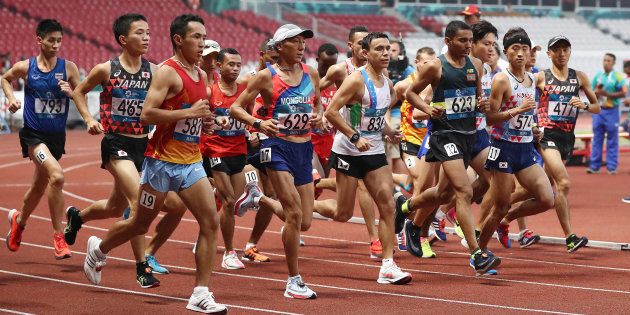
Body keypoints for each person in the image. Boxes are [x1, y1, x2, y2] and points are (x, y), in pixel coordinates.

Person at [81, 14, 226, 313]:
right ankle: (99, 248)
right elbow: (147, 114)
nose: (202, 43)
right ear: (179, 40)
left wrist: (204, 122)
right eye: (196, 37)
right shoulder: (167, 72)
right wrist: (188, 115)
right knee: (139, 222)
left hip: (191, 163)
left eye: (204, 36)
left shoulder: (201, 76)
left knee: (210, 222)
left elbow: (192, 115)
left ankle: (200, 293)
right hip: (160, 163)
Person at [65, 14, 188, 285]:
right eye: (140, 33)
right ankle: (141, 267)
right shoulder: (106, 69)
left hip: (144, 145)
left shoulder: (155, 71)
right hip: (116, 143)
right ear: (123, 39)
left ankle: (77, 217)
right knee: (138, 204)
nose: (147, 38)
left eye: (148, 33)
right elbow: (78, 92)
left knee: (115, 206)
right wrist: (88, 119)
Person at [397, 20, 499, 275]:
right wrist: (427, 108)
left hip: (470, 135)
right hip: (446, 136)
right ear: (448, 41)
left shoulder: (476, 65)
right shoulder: (435, 67)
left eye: (469, 41)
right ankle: (477, 254)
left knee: (449, 192)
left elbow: (476, 101)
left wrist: (483, 106)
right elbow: (411, 93)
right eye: (462, 41)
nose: (467, 45)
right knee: (463, 191)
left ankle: (404, 208)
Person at [230, 23, 321, 299]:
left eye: (304, 41)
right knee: (292, 214)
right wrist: (258, 123)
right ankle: (294, 281)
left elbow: (316, 106)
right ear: (280, 47)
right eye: (295, 41)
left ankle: (258, 198)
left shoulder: (311, 73)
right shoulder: (265, 77)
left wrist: (320, 116)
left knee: (304, 221)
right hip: (276, 147)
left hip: (304, 149)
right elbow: (235, 107)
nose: (302, 46)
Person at [316, 32, 412, 284]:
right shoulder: (356, 80)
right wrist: (354, 135)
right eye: (379, 49)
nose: (385, 54)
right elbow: (332, 112)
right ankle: (308, 208)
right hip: (349, 151)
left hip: (375, 150)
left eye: (388, 49)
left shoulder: (386, 80)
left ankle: (388, 266)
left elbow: (378, 115)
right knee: (343, 213)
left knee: (388, 205)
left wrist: (391, 132)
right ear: (366, 53)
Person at [2, 19, 80, 259]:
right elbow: (5, 78)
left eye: (59, 41)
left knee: (38, 187)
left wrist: (73, 93)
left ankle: (19, 221)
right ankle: (58, 237)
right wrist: (11, 100)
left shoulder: (69, 69)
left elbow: (81, 94)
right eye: (51, 40)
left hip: (56, 138)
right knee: (56, 177)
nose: (56, 45)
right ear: (39, 40)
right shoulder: (27, 67)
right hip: (34, 136)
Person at [477, 28, 555, 260]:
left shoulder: (532, 79)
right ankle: (479, 251)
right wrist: (517, 111)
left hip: (525, 148)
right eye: (515, 49)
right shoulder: (501, 79)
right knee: (499, 205)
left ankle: (506, 221)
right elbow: (490, 118)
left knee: (546, 199)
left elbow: (528, 114)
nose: (520, 54)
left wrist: (532, 128)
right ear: (507, 53)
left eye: (524, 49)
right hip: (503, 148)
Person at [318, 25, 383, 258]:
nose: (366, 47)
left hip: (369, 140)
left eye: (369, 41)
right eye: (361, 43)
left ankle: (375, 239)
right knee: (344, 210)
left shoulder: (377, 72)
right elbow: (314, 89)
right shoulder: (340, 70)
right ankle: (307, 205)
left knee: (366, 186)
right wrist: (321, 112)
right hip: (347, 138)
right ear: (351, 46)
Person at [529, 35, 597, 252]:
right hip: (546, 136)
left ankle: (503, 217)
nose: (561, 53)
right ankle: (570, 237)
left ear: (570, 52)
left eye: (565, 49)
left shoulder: (580, 78)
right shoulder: (541, 77)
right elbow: (522, 92)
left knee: (539, 191)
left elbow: (597, 107)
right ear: (549, 53)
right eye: (556, 50)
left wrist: (584, 105)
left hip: (567, 138)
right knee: (563, 183)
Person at [199, 48, 250, 269]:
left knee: (234, 204)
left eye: (238, 65)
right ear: (219, 66)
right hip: (216, 151)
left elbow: (251, 113)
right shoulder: (210, 91)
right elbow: (199, 114)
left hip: (238, 150)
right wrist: (214, 120)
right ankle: (229, 252)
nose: (235, 68)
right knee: (229, 201)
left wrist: (253, 128)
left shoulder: (244, 91)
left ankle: (212, 199)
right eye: (231, 64)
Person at [588, 53, 627, 174]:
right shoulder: (598, 76)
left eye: (609, 61)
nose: (606, 62)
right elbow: (590, 91)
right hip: (599, 111)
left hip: (612, 111)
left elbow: (624, 93)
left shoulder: (618, 77)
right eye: (604, 60)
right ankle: (594, 166)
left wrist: (607, 94)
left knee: (612, 139)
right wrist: (596, 93)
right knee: (597, 138)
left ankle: (611, 167)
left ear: (614, 63)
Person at [312, 43, 339, 179]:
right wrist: (319, 115)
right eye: (325, 65)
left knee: (322, 182)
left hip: (328, 141)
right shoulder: (309, 80)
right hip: (309, 139)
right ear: (317, 60)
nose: (329, 69)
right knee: (316, 179)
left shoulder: (340, 84)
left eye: (332, 66)